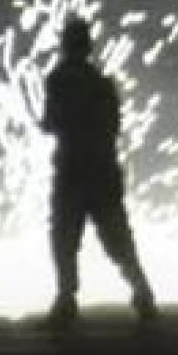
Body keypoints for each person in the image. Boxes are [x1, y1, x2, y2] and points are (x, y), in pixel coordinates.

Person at [42, 17, 159, 325]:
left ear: (65, 46)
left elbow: (50, 122)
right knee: (117, 237)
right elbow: (114, 125)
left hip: (72, 171)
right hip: (103, 170)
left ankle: (66, 297)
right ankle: (142, 290)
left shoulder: (57, 80)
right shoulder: (102, 83)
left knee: (65, 237)